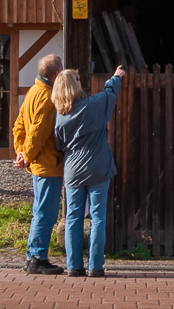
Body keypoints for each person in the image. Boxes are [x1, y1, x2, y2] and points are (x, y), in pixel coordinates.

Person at [51, 66, 125, 278]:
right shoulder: (93, 105)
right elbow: (109, 93)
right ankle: (95, 266)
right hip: (98, 166)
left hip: (73, 170)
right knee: (97, 217)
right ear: (75, 85)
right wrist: (116, 77)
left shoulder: (61, 116)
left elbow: (59, 144)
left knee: (73, 216)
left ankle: (74, 266)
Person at [11, 53, 64, 275]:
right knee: (46, 212)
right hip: (47, 164)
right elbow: (39, 134)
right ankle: (37, 257)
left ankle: (33, 255)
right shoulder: (48, 96)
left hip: (37, 164)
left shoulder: (32, 92)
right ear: (55, 74)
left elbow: (19, 126)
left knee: (39, 210)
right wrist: (27, 156)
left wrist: (20, 152)